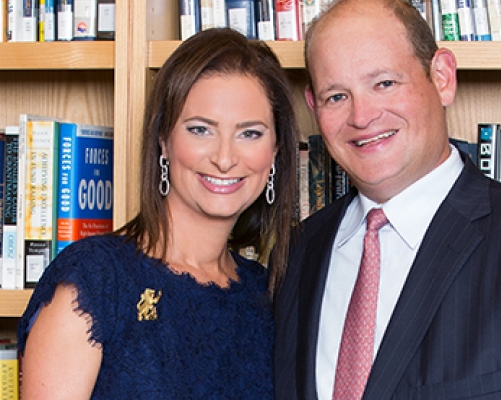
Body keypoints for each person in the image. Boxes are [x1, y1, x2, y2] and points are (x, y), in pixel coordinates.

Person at [273, 0, 501, 399]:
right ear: (313, 105)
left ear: (442, 77)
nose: (362, 116)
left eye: (384, 83)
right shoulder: (299, 251)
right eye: (336, 96)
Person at [18, 27, 297, 399]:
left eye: (250, 134)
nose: (225, 158)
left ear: (276, 150)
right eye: (201, 129)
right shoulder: (96, 280)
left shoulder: (269, 294)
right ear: (163, 140)